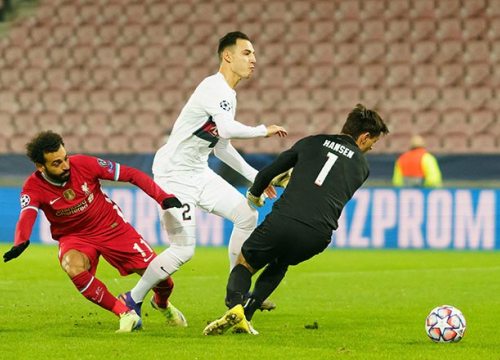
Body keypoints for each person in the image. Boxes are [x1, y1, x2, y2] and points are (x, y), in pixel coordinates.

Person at [119, 31, 287, 316]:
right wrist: (262, 130)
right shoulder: (214, 88)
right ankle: (131, 298)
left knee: (247, 215)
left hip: (198, 171)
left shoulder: (228, 96)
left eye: (255, 54)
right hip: (173, 176)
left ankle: (238, 290)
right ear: (227, 56)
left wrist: (257, 178)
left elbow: (221, 147)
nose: (254, 60)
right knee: (184, 249)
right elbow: (226, 130)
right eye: (247, 53)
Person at [202, 103, 389, 335]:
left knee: (245, 262)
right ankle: (247, 316)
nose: (370, 148)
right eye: (373, 143)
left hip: (285, 220)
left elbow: (267, 174)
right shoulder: (362, 167)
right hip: (319, 235)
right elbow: (328, 184)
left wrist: (254, 195)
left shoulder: (311, 142)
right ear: (364, 137)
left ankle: (236, 307)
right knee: (281, 262)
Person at [2, 131, 187, 333]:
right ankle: (125, 312)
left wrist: (162, 197)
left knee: (163, 280)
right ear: (40, 167)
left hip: (112, 227)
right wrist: (21, 241)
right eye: (56, 163)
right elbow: (27, 215)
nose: (65, 166)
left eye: (65, 159)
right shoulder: (33, 187)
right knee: (72, 266)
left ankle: (162, 304)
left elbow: (130, 174)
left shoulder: (84, 164)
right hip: (75, 237)